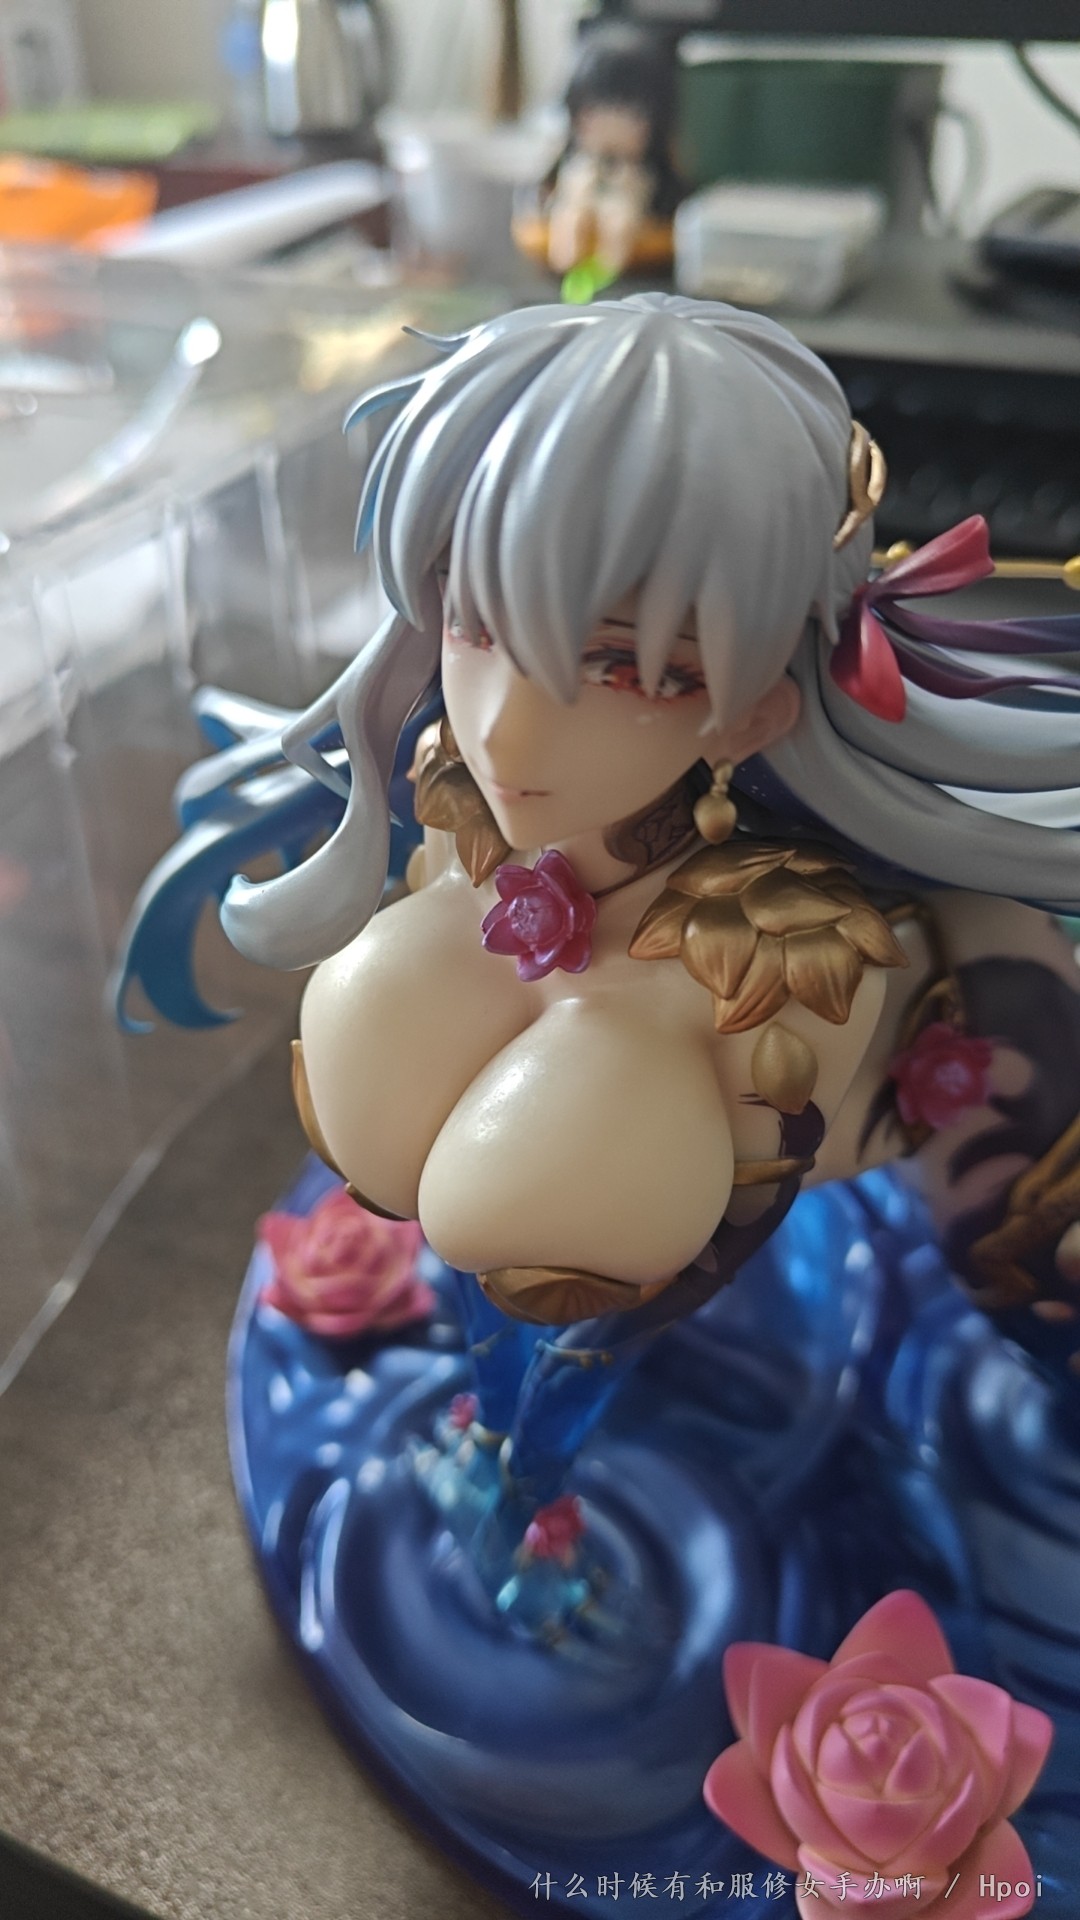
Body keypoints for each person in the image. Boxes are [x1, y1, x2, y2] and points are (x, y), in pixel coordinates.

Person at [209, 293, 1080, 1363]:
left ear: (755, 709)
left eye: (624, 669)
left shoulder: (788, 953)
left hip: (938, 1171)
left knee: (1027, 1313)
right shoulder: (459, 792)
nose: (506, 731)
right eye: (472, 625)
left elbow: (703, 1246)